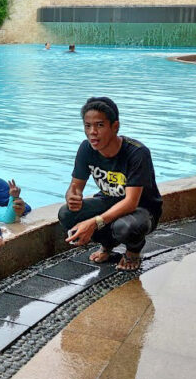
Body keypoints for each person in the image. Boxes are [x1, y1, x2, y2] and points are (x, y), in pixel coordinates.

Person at [58, 97, 163, 271]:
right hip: (109, 200)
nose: (92, 132)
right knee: (67, 213)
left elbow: (130, 202)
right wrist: (72, 196)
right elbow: (75, 186)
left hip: (142, 209)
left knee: (126, 227)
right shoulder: (86, 149)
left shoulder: (137, 153)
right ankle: (107, 245)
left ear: (115, 127)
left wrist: (93, 223)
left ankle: (133, 251)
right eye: (87, 126)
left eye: (99, 125)